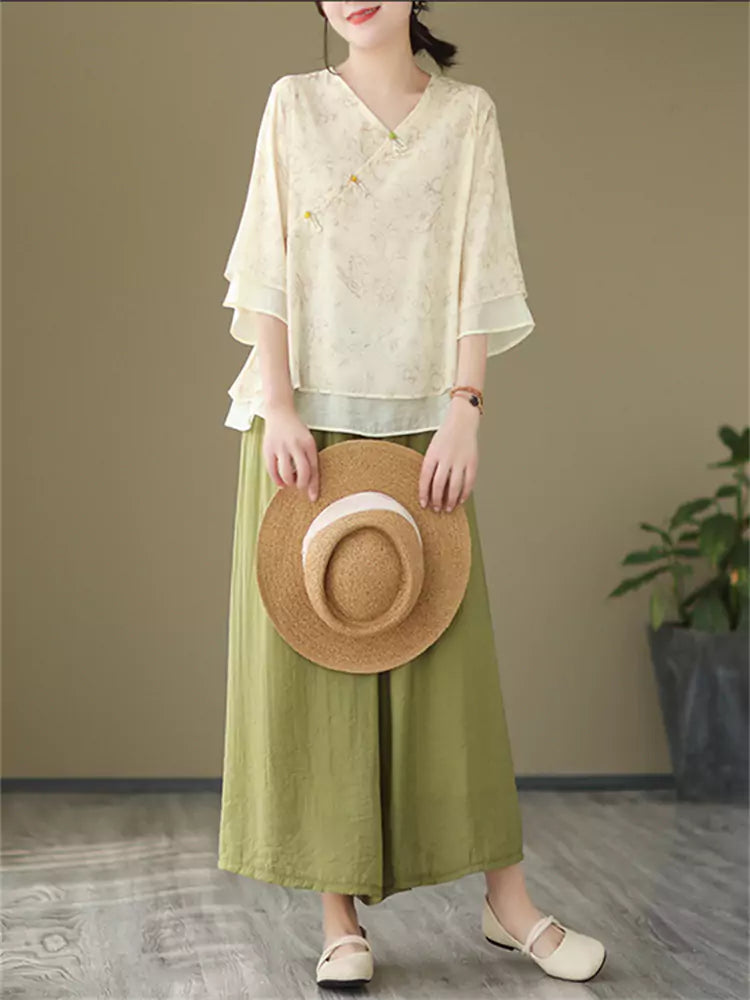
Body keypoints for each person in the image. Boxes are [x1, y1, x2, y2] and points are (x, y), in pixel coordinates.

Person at [217, 0, 606, 988]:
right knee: (318, 671)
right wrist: (280, 405)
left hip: (424, 426)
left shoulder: (467, 117)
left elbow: (480, 265)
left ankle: (507, 902)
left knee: (451, 667)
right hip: (305, 424)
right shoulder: (292, 105)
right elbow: (266, 263)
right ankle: (337, 918)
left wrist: (465, 409)